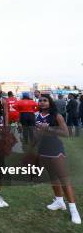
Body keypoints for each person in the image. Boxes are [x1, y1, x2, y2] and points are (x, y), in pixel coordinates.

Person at [34, 94, 80, 225]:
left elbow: (66, 133)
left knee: (63, 178)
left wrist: (47, 128)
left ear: (50, 102)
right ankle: (59, 201)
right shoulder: (37, 116)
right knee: (52, 177)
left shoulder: (57, 116)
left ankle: (73, 209)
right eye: (40, 101)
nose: (42, 102)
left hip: (55, 150)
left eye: (45, 100)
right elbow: (37, 134)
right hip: (43, 150)